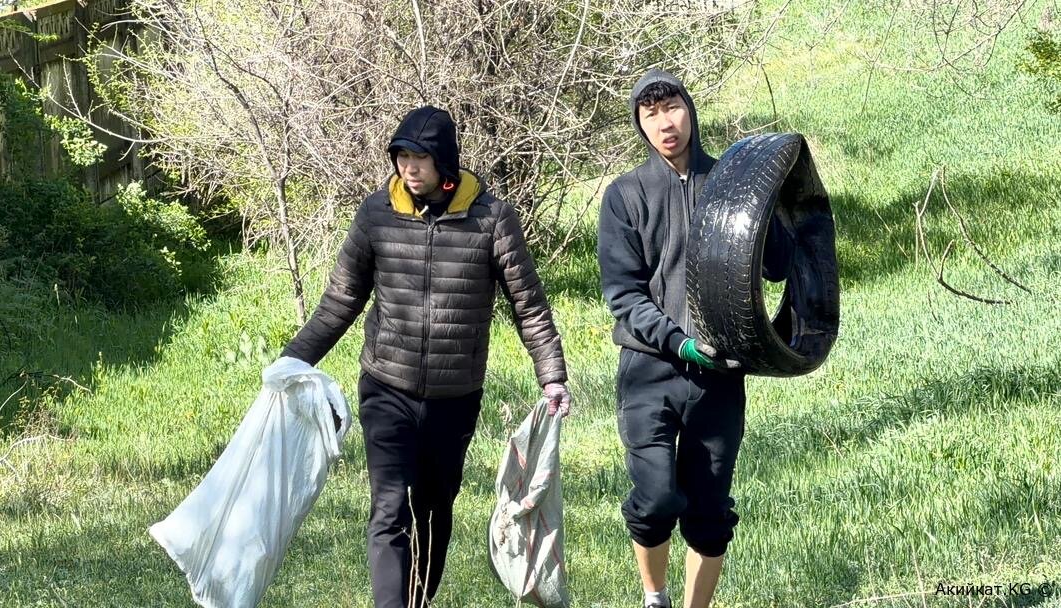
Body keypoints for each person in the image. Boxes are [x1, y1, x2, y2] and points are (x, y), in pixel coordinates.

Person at [279, 105, 571, 608]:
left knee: (434, 510)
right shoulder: (377, 214)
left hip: (454, 396)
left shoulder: (492, 218)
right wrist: (292, 362)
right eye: (402, 157)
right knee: (389, 507)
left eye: (420, 158)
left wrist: (552, 376)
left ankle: (417, 601)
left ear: (444, 162)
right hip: (386, 387)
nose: (409, 169)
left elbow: (529, 305)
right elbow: (341, 299)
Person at [597, 69, 793, 608]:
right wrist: (678, 341)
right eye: (651, 114)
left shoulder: (729, 182)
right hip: (648, 371)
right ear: (640, 124)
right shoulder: (624, 196)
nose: (666, 124)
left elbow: (777, 266)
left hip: (720, 375)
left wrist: (772, 201)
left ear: (691, 111)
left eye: (673, 108)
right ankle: (654, 597)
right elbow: (624, 295)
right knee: (656, 499)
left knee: (709, 513)